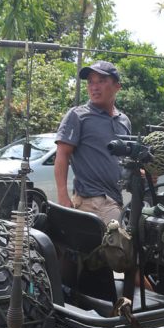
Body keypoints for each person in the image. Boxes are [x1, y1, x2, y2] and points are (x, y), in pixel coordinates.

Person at [54, 60, 132, 224]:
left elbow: (125, 163)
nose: (94, 87)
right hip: (92, 200)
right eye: (90, 82)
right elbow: (62, 154)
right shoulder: (78, 115)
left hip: (115, 199)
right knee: (121, 243)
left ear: (117, 86)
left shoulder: (124, 121)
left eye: (101, 81)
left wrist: (142, 174)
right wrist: (63, 197)